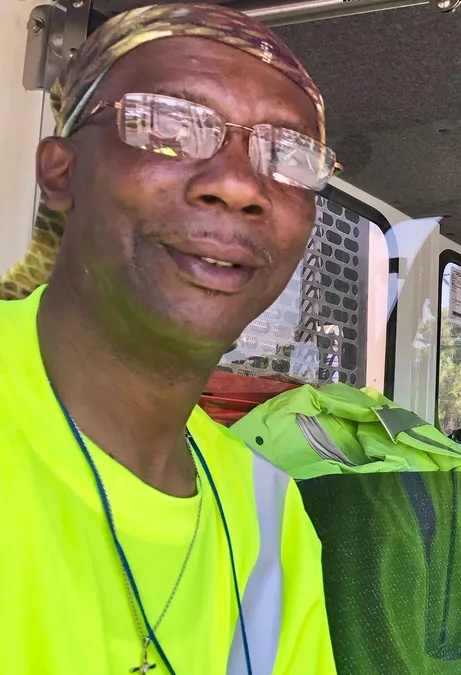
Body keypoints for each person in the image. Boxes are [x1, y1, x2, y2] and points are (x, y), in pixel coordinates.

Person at [0, 4, 341, 673]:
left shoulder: (271, 518)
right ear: (60, 172)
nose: (240, 184)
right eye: (167, 124)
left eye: (291, 155)